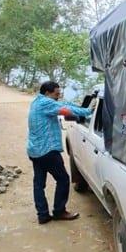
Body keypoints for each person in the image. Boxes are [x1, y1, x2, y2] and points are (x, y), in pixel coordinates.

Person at [27, 81, 93, 225]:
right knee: (63, 179)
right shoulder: (46, 103)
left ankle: (43, 215)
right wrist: (89, 111)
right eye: (56, 94)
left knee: (39, 183)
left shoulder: (37, 102)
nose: (58, 97)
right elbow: (65, 108)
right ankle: (59, 211)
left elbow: (65, 104)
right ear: (47, 93)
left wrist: (80, 107)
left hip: (34, 150)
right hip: (47, 150)